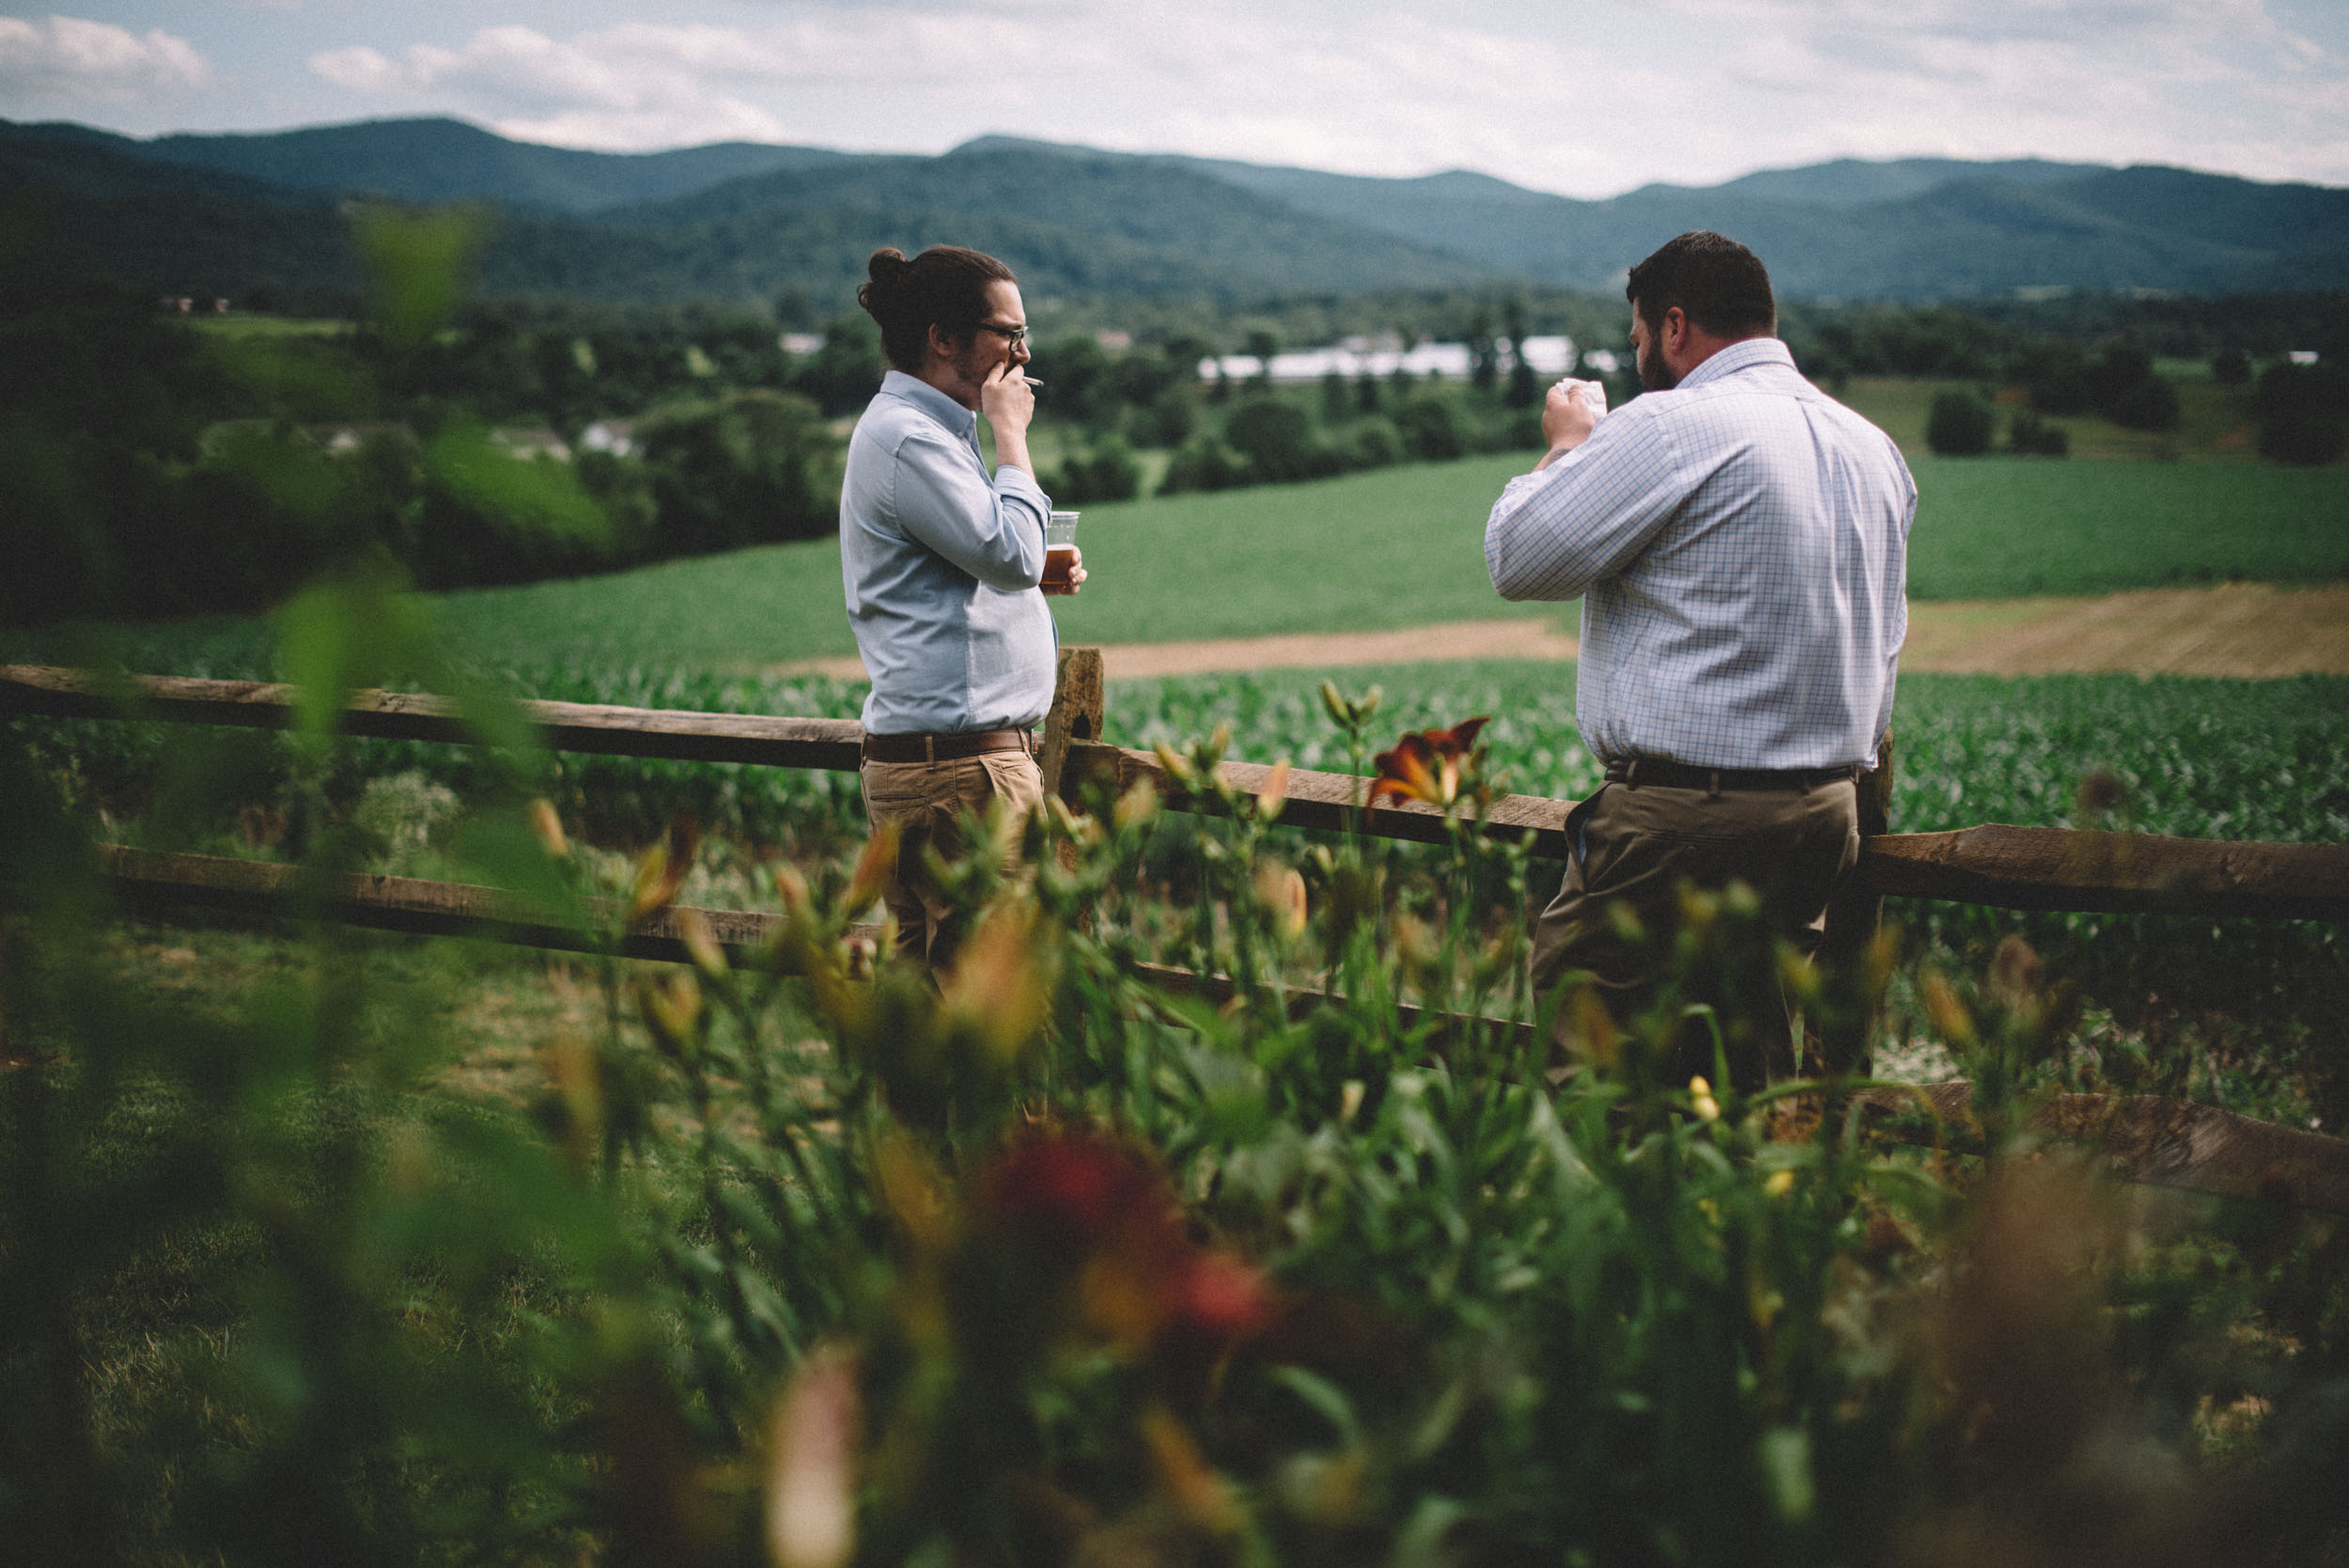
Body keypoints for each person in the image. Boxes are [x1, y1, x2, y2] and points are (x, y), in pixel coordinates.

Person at [1484, 230, 1913, 1090]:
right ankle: (1738, 1215)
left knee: (1590, 1056)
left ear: (1674, 326)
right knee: (1742, 1058)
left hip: (1683, 821)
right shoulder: (1872, 447)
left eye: (1640, 339)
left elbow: (1519, 557)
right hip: (1823, 818)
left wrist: (1570, 445)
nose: (1640, 358)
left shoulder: (1675, 425)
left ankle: (1604, 1217)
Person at [841, 243, 1083, 970]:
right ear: (944, 338)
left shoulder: (924, 434)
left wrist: (1029, 574)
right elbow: (1006, 553)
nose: (1023, 349)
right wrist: (1012, 433)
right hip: (963, 778)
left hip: (939, 771)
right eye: (1007, 332)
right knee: (1002, 1004)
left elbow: (969, 566)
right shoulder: (914, 438)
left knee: (932, 1010)